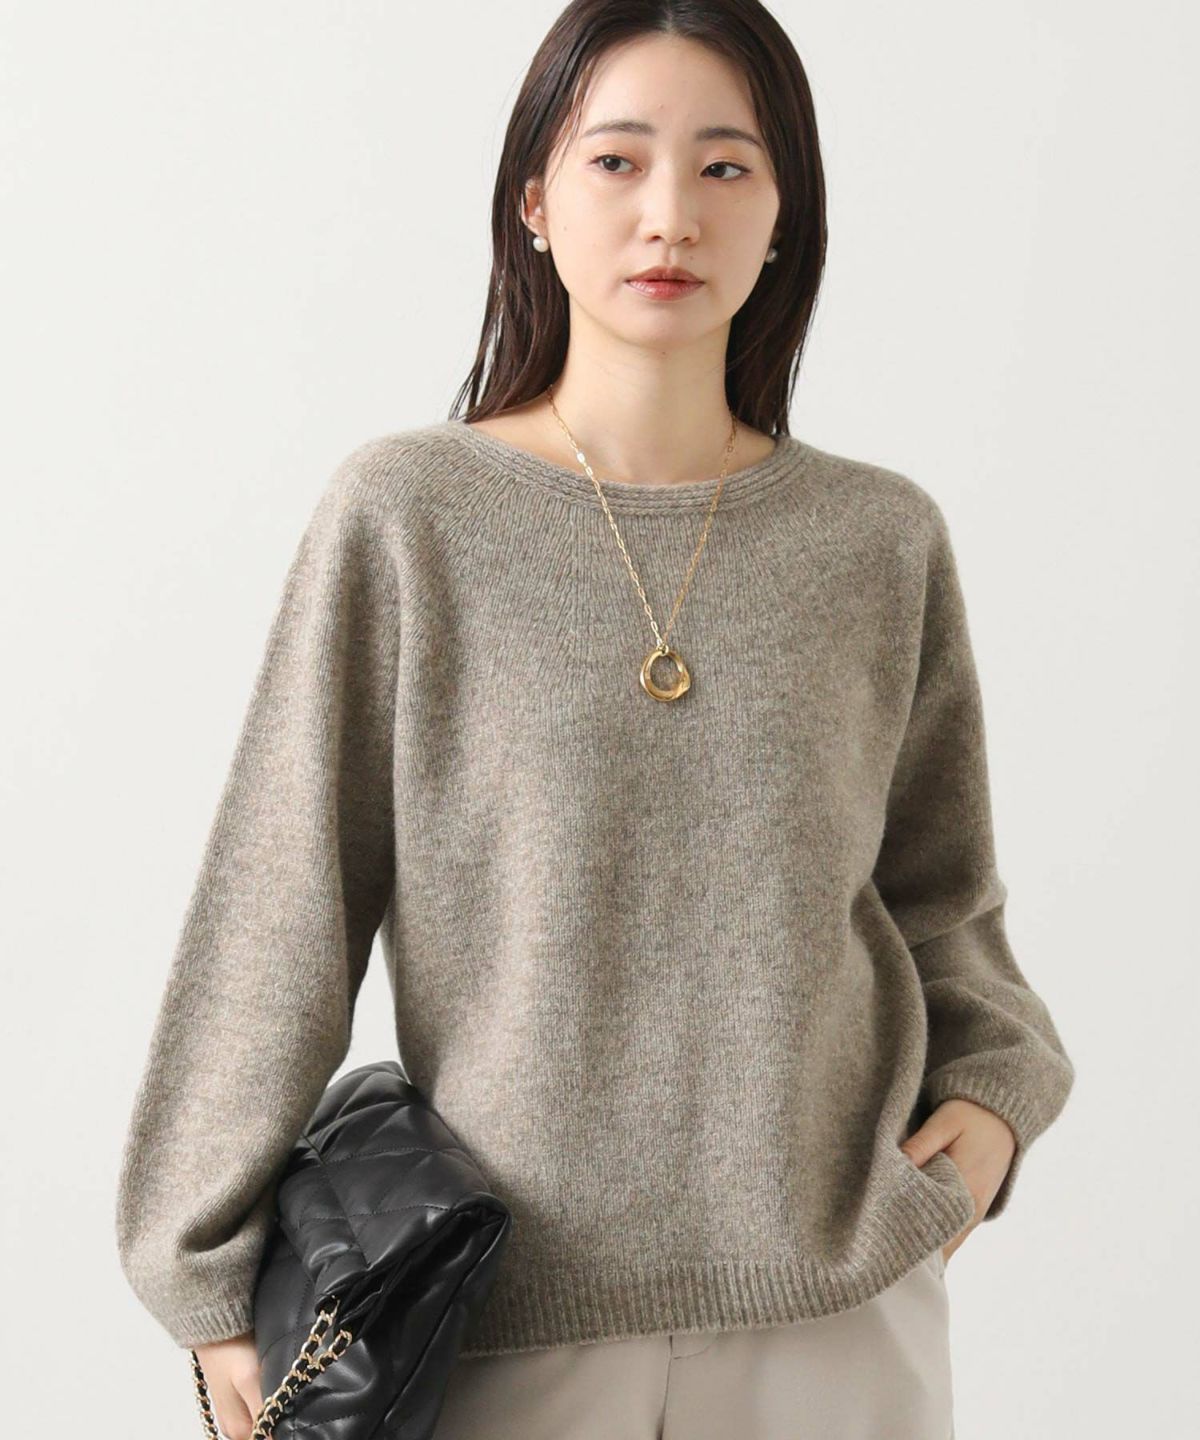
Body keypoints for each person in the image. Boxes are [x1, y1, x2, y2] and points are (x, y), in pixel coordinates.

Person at [114, 3, 1076, 1438]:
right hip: (490, 1317)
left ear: (785, 215)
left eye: (726, 167)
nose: (670, 214)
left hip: (839, 1311)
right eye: (617, 160)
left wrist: (994, 1097)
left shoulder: (876, 540)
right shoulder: (410, 515)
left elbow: (944, 899)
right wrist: (201, 1269)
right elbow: (281, 904)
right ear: (536, 203)